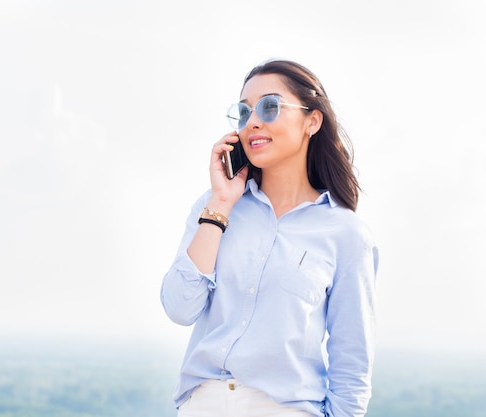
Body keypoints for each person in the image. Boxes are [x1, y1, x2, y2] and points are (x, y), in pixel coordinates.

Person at [160, 59, 379, 417]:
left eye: (270, 106)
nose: (254, 122)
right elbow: (179, 308)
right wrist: (220, 205)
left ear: (312, 120)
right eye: (244, 112)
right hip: (203, 405)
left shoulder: (346, 234)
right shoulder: (215, 205)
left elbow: (352, 363)